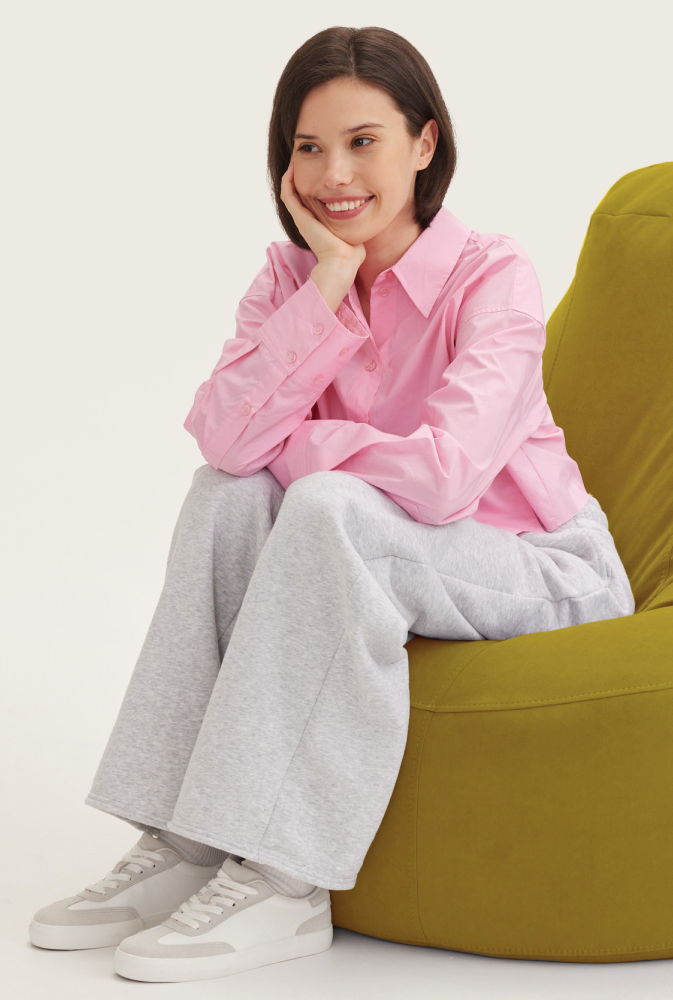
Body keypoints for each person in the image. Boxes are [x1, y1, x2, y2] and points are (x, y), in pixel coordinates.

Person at [28, 25, 634, 983]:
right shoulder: (290, 280)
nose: (334, 176)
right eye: (308, 148)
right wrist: (328, 289)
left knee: (322, 506)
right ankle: (188, 838)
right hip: (388, 550)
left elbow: (446, 479)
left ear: (424, 144)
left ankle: (284, 876)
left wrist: (307, 452)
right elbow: (226, 443)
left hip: (538, 568)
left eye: (363, 142)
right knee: (228, 494)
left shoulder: (493, 277)